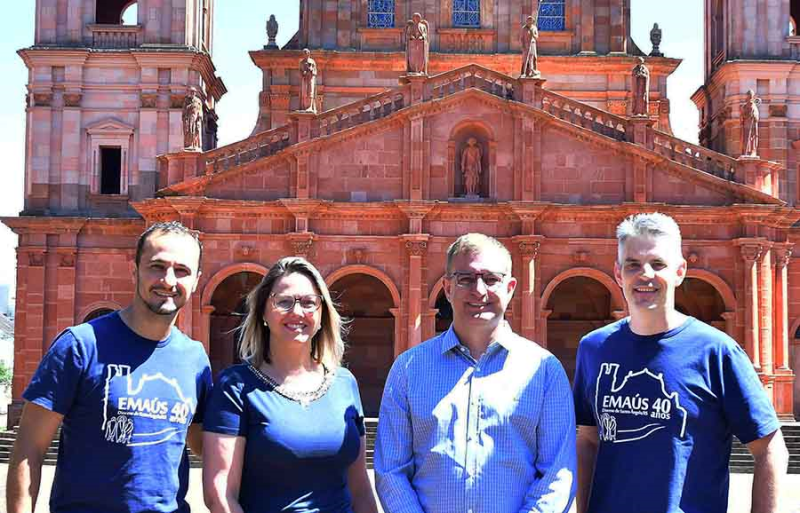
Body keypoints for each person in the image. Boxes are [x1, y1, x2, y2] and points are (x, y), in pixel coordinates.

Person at [573, 213, 789, 513]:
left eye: (658, 264)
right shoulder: (594, 348)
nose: (645, 274)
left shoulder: (716, 351)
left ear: (680, 271)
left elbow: (770, 447)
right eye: (632, 264)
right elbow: (587, 439)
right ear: (618, 273)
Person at [7, 221, 212, 513]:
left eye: (182, 270)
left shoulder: (195, 359)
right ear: (135, 270)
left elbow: (203, 443)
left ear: (196, 280)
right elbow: (30, 447)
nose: (168, 280)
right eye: (156, 266)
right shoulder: (80, 345)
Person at [375, 233, 576, 513]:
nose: (479, 291)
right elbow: (391, 472)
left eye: (491, 279)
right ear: (447, 288)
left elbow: (557, 475)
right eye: (465, 279)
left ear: (510, 287)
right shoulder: (408, 369)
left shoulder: (544, 370)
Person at [202, 257, 379, 513]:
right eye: (283, 301)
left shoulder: (344, 383)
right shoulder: (236, 386)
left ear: (322, 314)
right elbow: (220, 494)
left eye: (309, 302)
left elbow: (360, 489)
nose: (297, 312)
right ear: (263, 311)